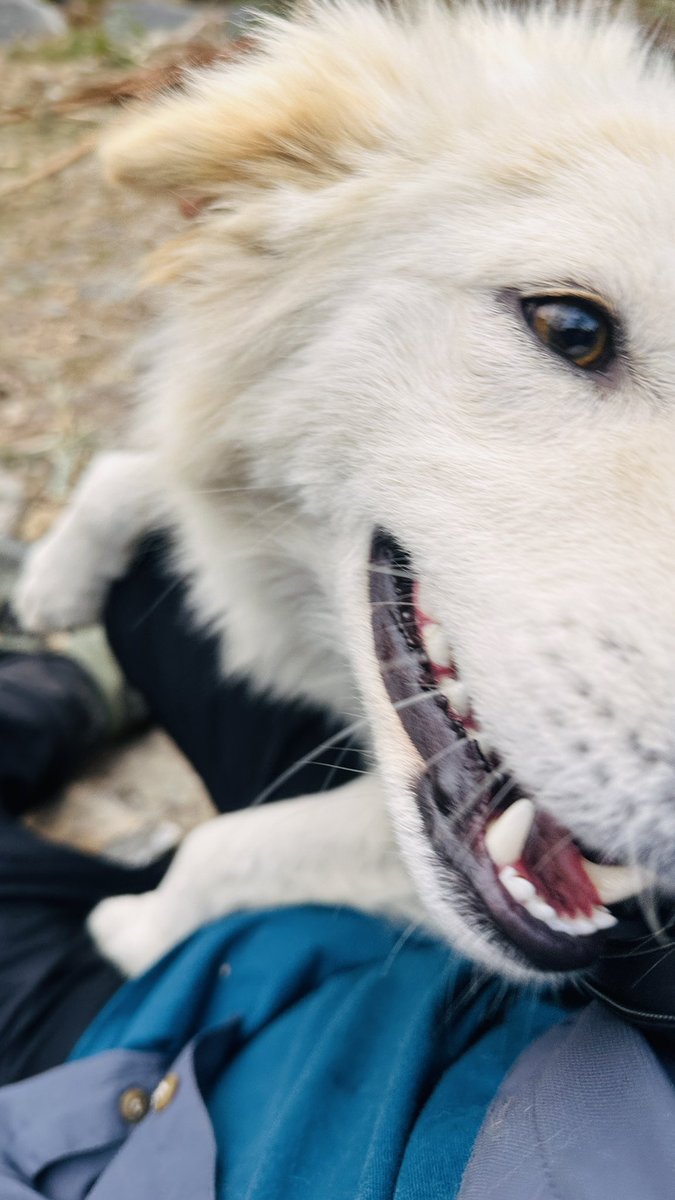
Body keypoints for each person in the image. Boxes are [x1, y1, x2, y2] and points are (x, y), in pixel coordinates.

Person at [0, 533, 673, 1198]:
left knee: (146, 591)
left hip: (109, 1084)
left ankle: (67, 689)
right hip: (342, 989)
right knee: (150, 579)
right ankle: (68, 692)